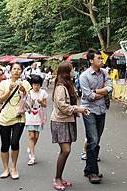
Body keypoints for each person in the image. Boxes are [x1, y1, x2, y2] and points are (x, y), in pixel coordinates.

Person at [51, 62, 89, 191]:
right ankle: (56, 178)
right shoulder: (60, 87)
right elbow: (62, 106)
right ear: (66, 72)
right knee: (65, 150)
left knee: (65, 151)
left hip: (68, 121)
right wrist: (79, 109)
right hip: (60, 121)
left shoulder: (68, 85)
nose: (74, 72)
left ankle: (60, 178)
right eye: (72, 70)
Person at [80, 49, 112, 184]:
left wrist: (97, 91)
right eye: (99, 58)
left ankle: (89, 168)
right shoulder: (84, 76)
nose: (101, 60)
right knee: (92, 139)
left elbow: (110, 88)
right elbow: (89, 96)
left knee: (96, 139)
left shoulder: (105, 73)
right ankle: (93, 172)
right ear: (91, 60)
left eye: (101, 58)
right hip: (89, 111)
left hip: (101, 110)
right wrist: (101, 93)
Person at [0, 62, 32, 179]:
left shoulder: (25, 83)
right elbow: (0, 99)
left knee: (14, 142)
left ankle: (14, 167)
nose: (16, 71)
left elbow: (30, 100)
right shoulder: (4, 83)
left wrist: (24, 91)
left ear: (21, 71)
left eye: (18, 69)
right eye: (14, 69)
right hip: (5, 118)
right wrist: (9, 91)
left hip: (19, 117)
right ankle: (6, 169)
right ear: (10, 71)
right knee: (5, 144)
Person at [25, 74, 48, 166]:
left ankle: (31, 148)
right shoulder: (29, 93)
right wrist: (30, 103)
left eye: (38, 85)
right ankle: (32, 156)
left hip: (39, 116)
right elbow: (25, 105)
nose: (36, 86)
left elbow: (45, 105)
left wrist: (41, 102)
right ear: (32, 85)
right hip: (30, 115)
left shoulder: (43, 93)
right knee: (31, 136)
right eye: (34, 84)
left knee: (36, 136)